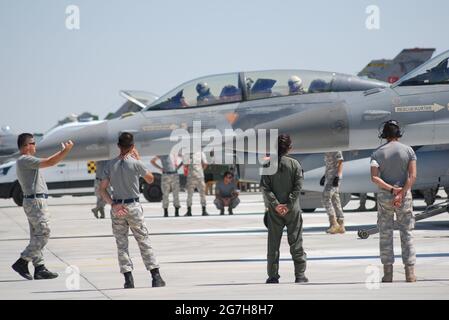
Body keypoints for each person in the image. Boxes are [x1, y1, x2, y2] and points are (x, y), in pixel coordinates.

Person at [99, 132, 165, 289]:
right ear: (132, 146)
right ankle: (155, 277)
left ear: (118, 146)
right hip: (133, 206)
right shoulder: (136, 163)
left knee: (121, 244)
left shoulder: (110, 164)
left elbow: (102, 190)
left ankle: (128, 279)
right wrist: (139, 160)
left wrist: (113, 205)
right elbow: (150, 179)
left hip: (117, 207)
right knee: (143, 240)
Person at [11, 133, 74, 280]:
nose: (35, 145)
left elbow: (49, 161)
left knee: (37, 235)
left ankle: (39, 267)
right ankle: (22, 261)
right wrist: (65, 151)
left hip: (34, 201)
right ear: (26, 146)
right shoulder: (25, 159)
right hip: (35, 202)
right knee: (44, 233)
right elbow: (50, 162)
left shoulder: (26, 160)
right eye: (32, 143)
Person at [370, 120, 417, 283]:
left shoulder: (377, 153)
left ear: (384, 134)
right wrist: (401, 193)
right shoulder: (408, 151)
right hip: (404, 197)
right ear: (398, 133)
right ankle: (410, 273)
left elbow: (374, 177)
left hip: (385, 198)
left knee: (385, 234)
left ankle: (388, 274)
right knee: (407, 233)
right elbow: (412, 176)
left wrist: (391, 190)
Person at [260, 134, 308, 284]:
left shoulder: (267, 165)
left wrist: (276, 205)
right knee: (296, 242)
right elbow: (298, 187)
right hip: (292, 210)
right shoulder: (295, 165)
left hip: (274, 212)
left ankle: (273, 276)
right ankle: (300, 275)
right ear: (289, 148)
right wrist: (288, 205)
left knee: (273, 244)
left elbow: (265, 188)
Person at [320, 152, 345, 234]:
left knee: (325, 197)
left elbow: (340, 162)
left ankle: (334, 223)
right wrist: (324, 176)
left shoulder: (336, 148)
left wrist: (338, 176)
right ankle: (340, 224)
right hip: (329, 177)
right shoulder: (327, 149)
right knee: (335, 200)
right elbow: (328, 165)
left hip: (334, 179)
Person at [183, 150, 209, 216]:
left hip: (199, 177)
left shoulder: (201, 153)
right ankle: (189, 211)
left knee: (202, 194)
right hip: (191, 177)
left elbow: (205, 163)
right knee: (189, 195)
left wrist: (201, 171)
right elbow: (185, 165)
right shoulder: (187, 154)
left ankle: (204, 210)